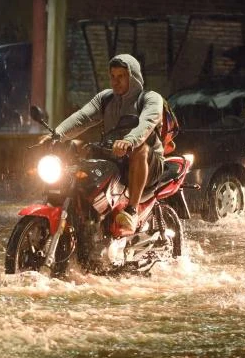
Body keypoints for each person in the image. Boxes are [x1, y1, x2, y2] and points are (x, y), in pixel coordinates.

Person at [43, 53, 163, 232]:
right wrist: (57, 135)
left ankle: (132, 210)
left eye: (121, 76)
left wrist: (129, 141)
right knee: (81, 150)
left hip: (148, 161)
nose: (115, 82)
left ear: (134, 77)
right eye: (112, 77)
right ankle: (83, 213)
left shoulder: (149, 98)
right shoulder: (106, 98)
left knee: (141, 150)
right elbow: (83, 117)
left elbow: (146, 123)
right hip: (115, 155)